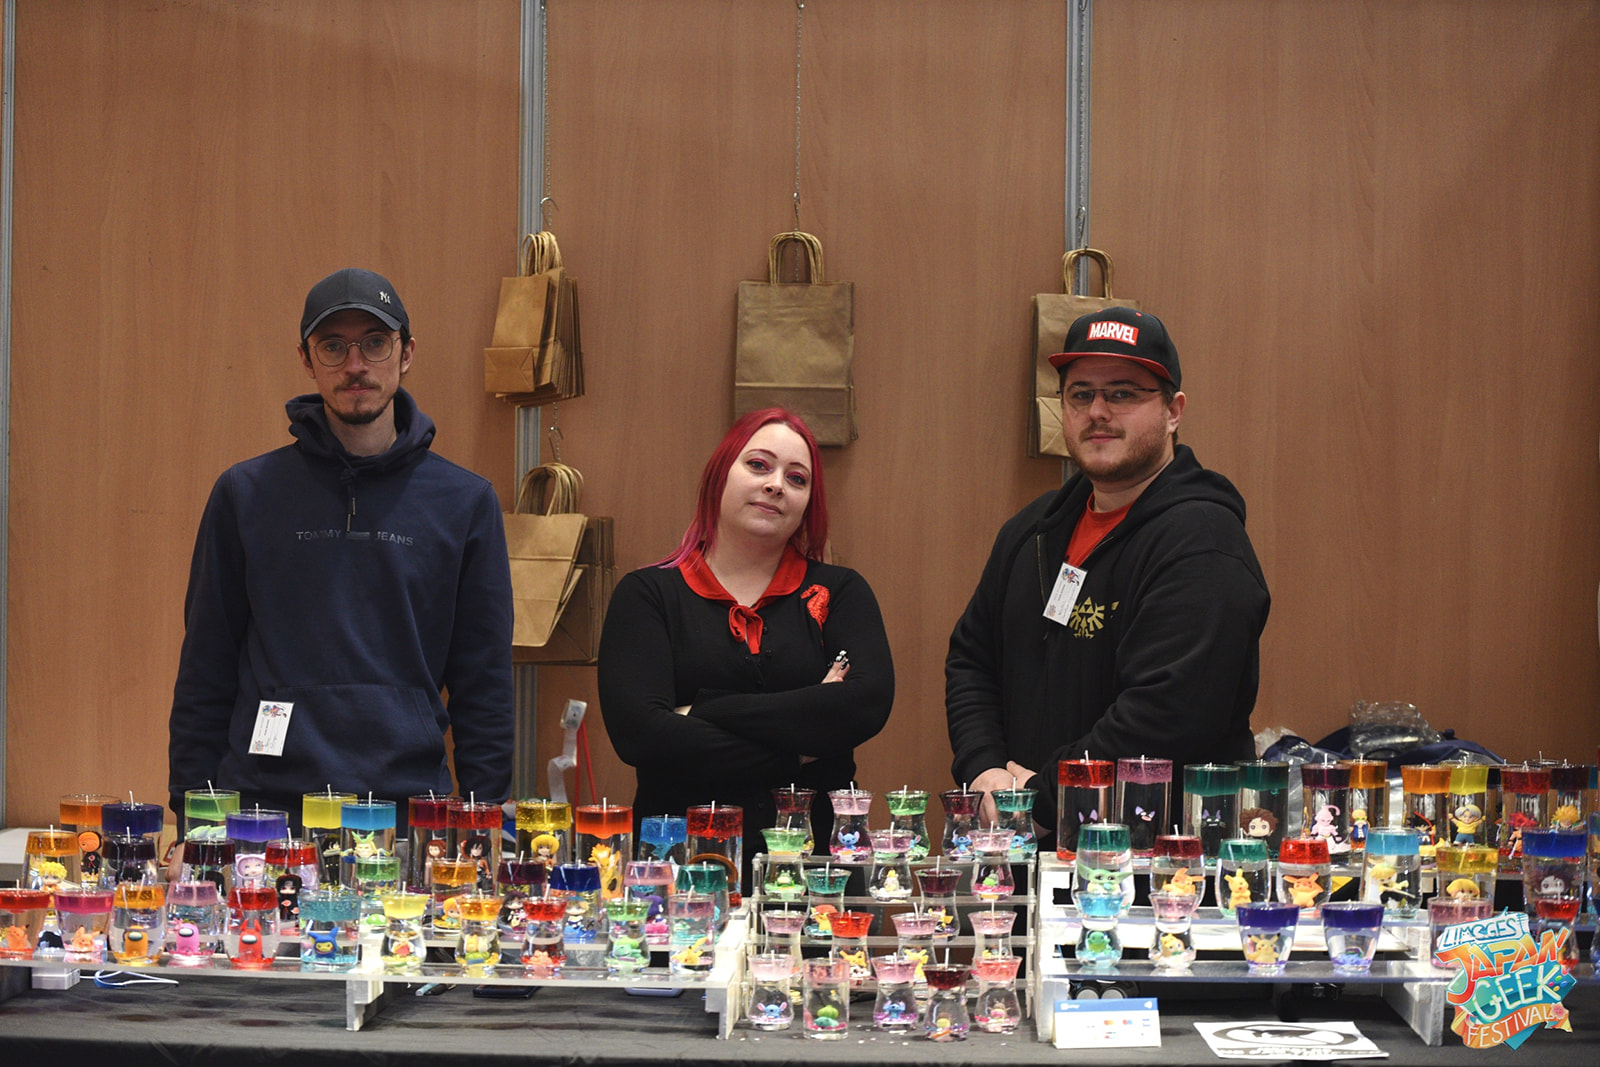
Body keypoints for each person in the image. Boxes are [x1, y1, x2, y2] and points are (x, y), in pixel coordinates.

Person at [167, 267, 514, 827]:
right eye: (333, 346)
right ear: (307, 360)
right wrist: (197, 819)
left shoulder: (465, 501)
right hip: (264, 811)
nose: (356, 365)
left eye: (375, 343)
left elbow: (485, 684)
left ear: (406, 353)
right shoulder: (246, 493)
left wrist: (482, 822)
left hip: (408, 813)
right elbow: (206, 669)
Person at [945, 306, 1269, 836]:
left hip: (1159, 861)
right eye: (1080, 394)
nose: (1097, 411)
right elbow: (972, 658)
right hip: (1026, 843)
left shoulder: (1204, 543)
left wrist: (1043, 796)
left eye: (1122, 393)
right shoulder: (1033, 531)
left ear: (1173, 411)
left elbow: (1166, 716)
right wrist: (984, 770)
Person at [597, 409, 894, 889]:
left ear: (808, 503)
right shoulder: (647, 594)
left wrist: (701, 710)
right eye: (758, 465)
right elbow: (641, 735)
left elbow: (864, 705)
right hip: (681, 869)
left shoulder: (841, 591)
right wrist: (799, 749)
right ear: (720, 474)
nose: (776, 485)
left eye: (796, 478)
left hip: (820, 871)